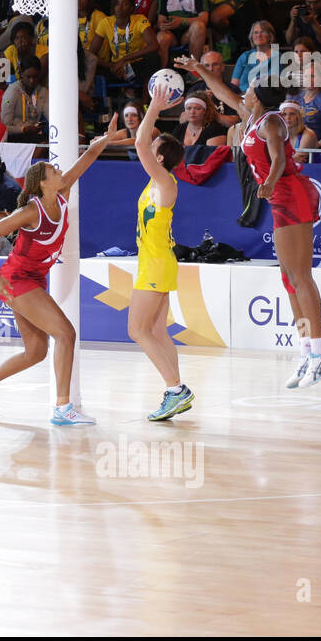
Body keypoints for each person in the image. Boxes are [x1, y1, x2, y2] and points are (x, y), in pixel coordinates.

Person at [178, 55, 321, 390]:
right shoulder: (250, 116)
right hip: (280, 199)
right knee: (287, 278)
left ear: (258, 96)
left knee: (301, 276)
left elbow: (279, 158)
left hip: (290, 194)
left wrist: (267, 182)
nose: (245, 91)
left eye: (250, 88)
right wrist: (199, 69)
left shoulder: (272, 122)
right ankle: (307, 348)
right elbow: (220, 91)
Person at [0, 119, 120, 426]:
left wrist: (104, 140)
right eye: (54, 171)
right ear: (43, 183)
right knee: (66, 334)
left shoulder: (61, 196)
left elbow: (86, 159)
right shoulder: (31, 211)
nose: (61, 172)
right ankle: (63, 408)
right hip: (16, 279)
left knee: (36, 351)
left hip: (32, 278)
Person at [126, 81, 194, 421]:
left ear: (161, 157)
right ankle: (175, 389)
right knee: (155, 330)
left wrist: (155, 104)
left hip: (155, 264)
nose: (145, 150)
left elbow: (139, 141)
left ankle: (175, 389)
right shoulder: (157, 182)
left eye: (153, 148)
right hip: (156, 262)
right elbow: (140, 142)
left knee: (136, 330)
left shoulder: (165, 180)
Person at [89, 0, 160, 98]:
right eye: (117, 4)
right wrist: (113, 65)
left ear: (132, 8)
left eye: (124, 4)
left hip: (135, 65)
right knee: (89, 66)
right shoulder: (106, 22)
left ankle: (144, 103)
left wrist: (125, 60)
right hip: (114, 67)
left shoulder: (140, 20)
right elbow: (91, 54)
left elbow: (154, 45)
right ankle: (102, 106)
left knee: (153, 58)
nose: (119, 7)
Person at [1, 58, 49, 143]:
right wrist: (24, 129)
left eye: (35, 77)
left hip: (35, 135)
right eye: (28, 77)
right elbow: (4, 127)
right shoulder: (11, 93)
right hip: (15, 137)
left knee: (51, 141)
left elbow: (50, 116)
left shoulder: (43, 92)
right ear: (21, 73)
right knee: (43, 143)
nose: (32, 81)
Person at [231, 19, 276, 90]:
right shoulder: (245, 56)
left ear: (270, 36)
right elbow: (234, 86)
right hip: (243, 97)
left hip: (267, 99)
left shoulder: (277, 58)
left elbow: (276, 88)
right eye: (255, 32)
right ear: (251, 36)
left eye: (263, 32)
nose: (259, 35)